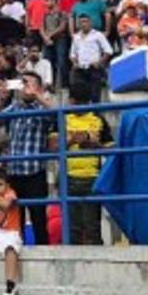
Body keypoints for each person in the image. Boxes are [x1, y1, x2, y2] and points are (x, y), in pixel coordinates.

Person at [49, 82, 111, 245]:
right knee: (71, 229)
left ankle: (97, 266)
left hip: (93, 179)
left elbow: (111, 148)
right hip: (67, 178)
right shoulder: (62, 118)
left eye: (83, 103)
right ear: (71, 101)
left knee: (92, 227)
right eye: (76, 102)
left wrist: (92, 144)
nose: (79, 106)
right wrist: (70, 140)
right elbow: (52, 147)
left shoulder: (98, 119)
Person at [4, 72, 54, 244]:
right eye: (22, 82)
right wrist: (2, 97)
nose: (24, 86)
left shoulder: (42, 106)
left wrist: (37, 96)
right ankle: (17, 256)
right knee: (14, 220)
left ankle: (44, 256)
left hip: (34, 172)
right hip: (14, 172)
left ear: (38, 87)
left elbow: (55, 115)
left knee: (38, 218)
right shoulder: (15, 106)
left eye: (28, 83)